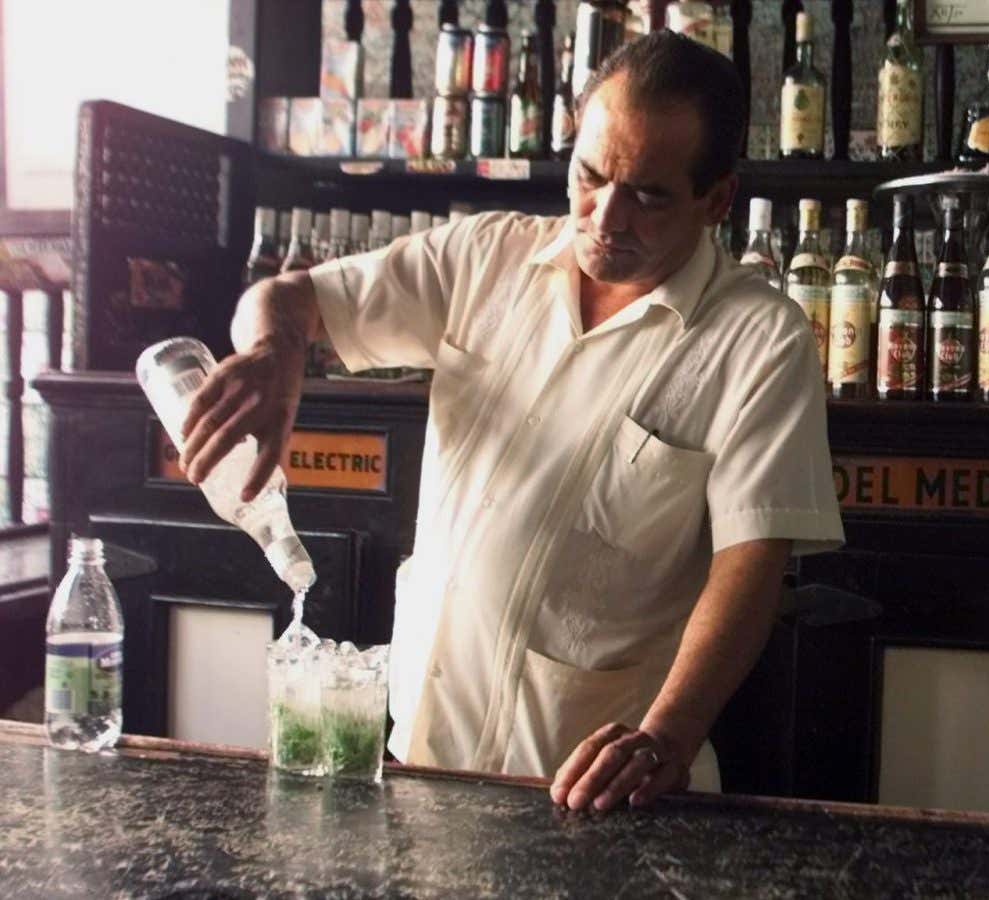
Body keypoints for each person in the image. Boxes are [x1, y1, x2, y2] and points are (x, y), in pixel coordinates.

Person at [178, 33, 843, 811]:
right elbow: (285, 297)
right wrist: (274, 350)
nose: (606, 215)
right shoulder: (484, 257)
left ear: (717, 199)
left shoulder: (759, 338)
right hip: (420, 761)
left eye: (649, 195)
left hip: (593, 790)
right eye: (590, 175)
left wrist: (668, 736)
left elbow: (750, 568)